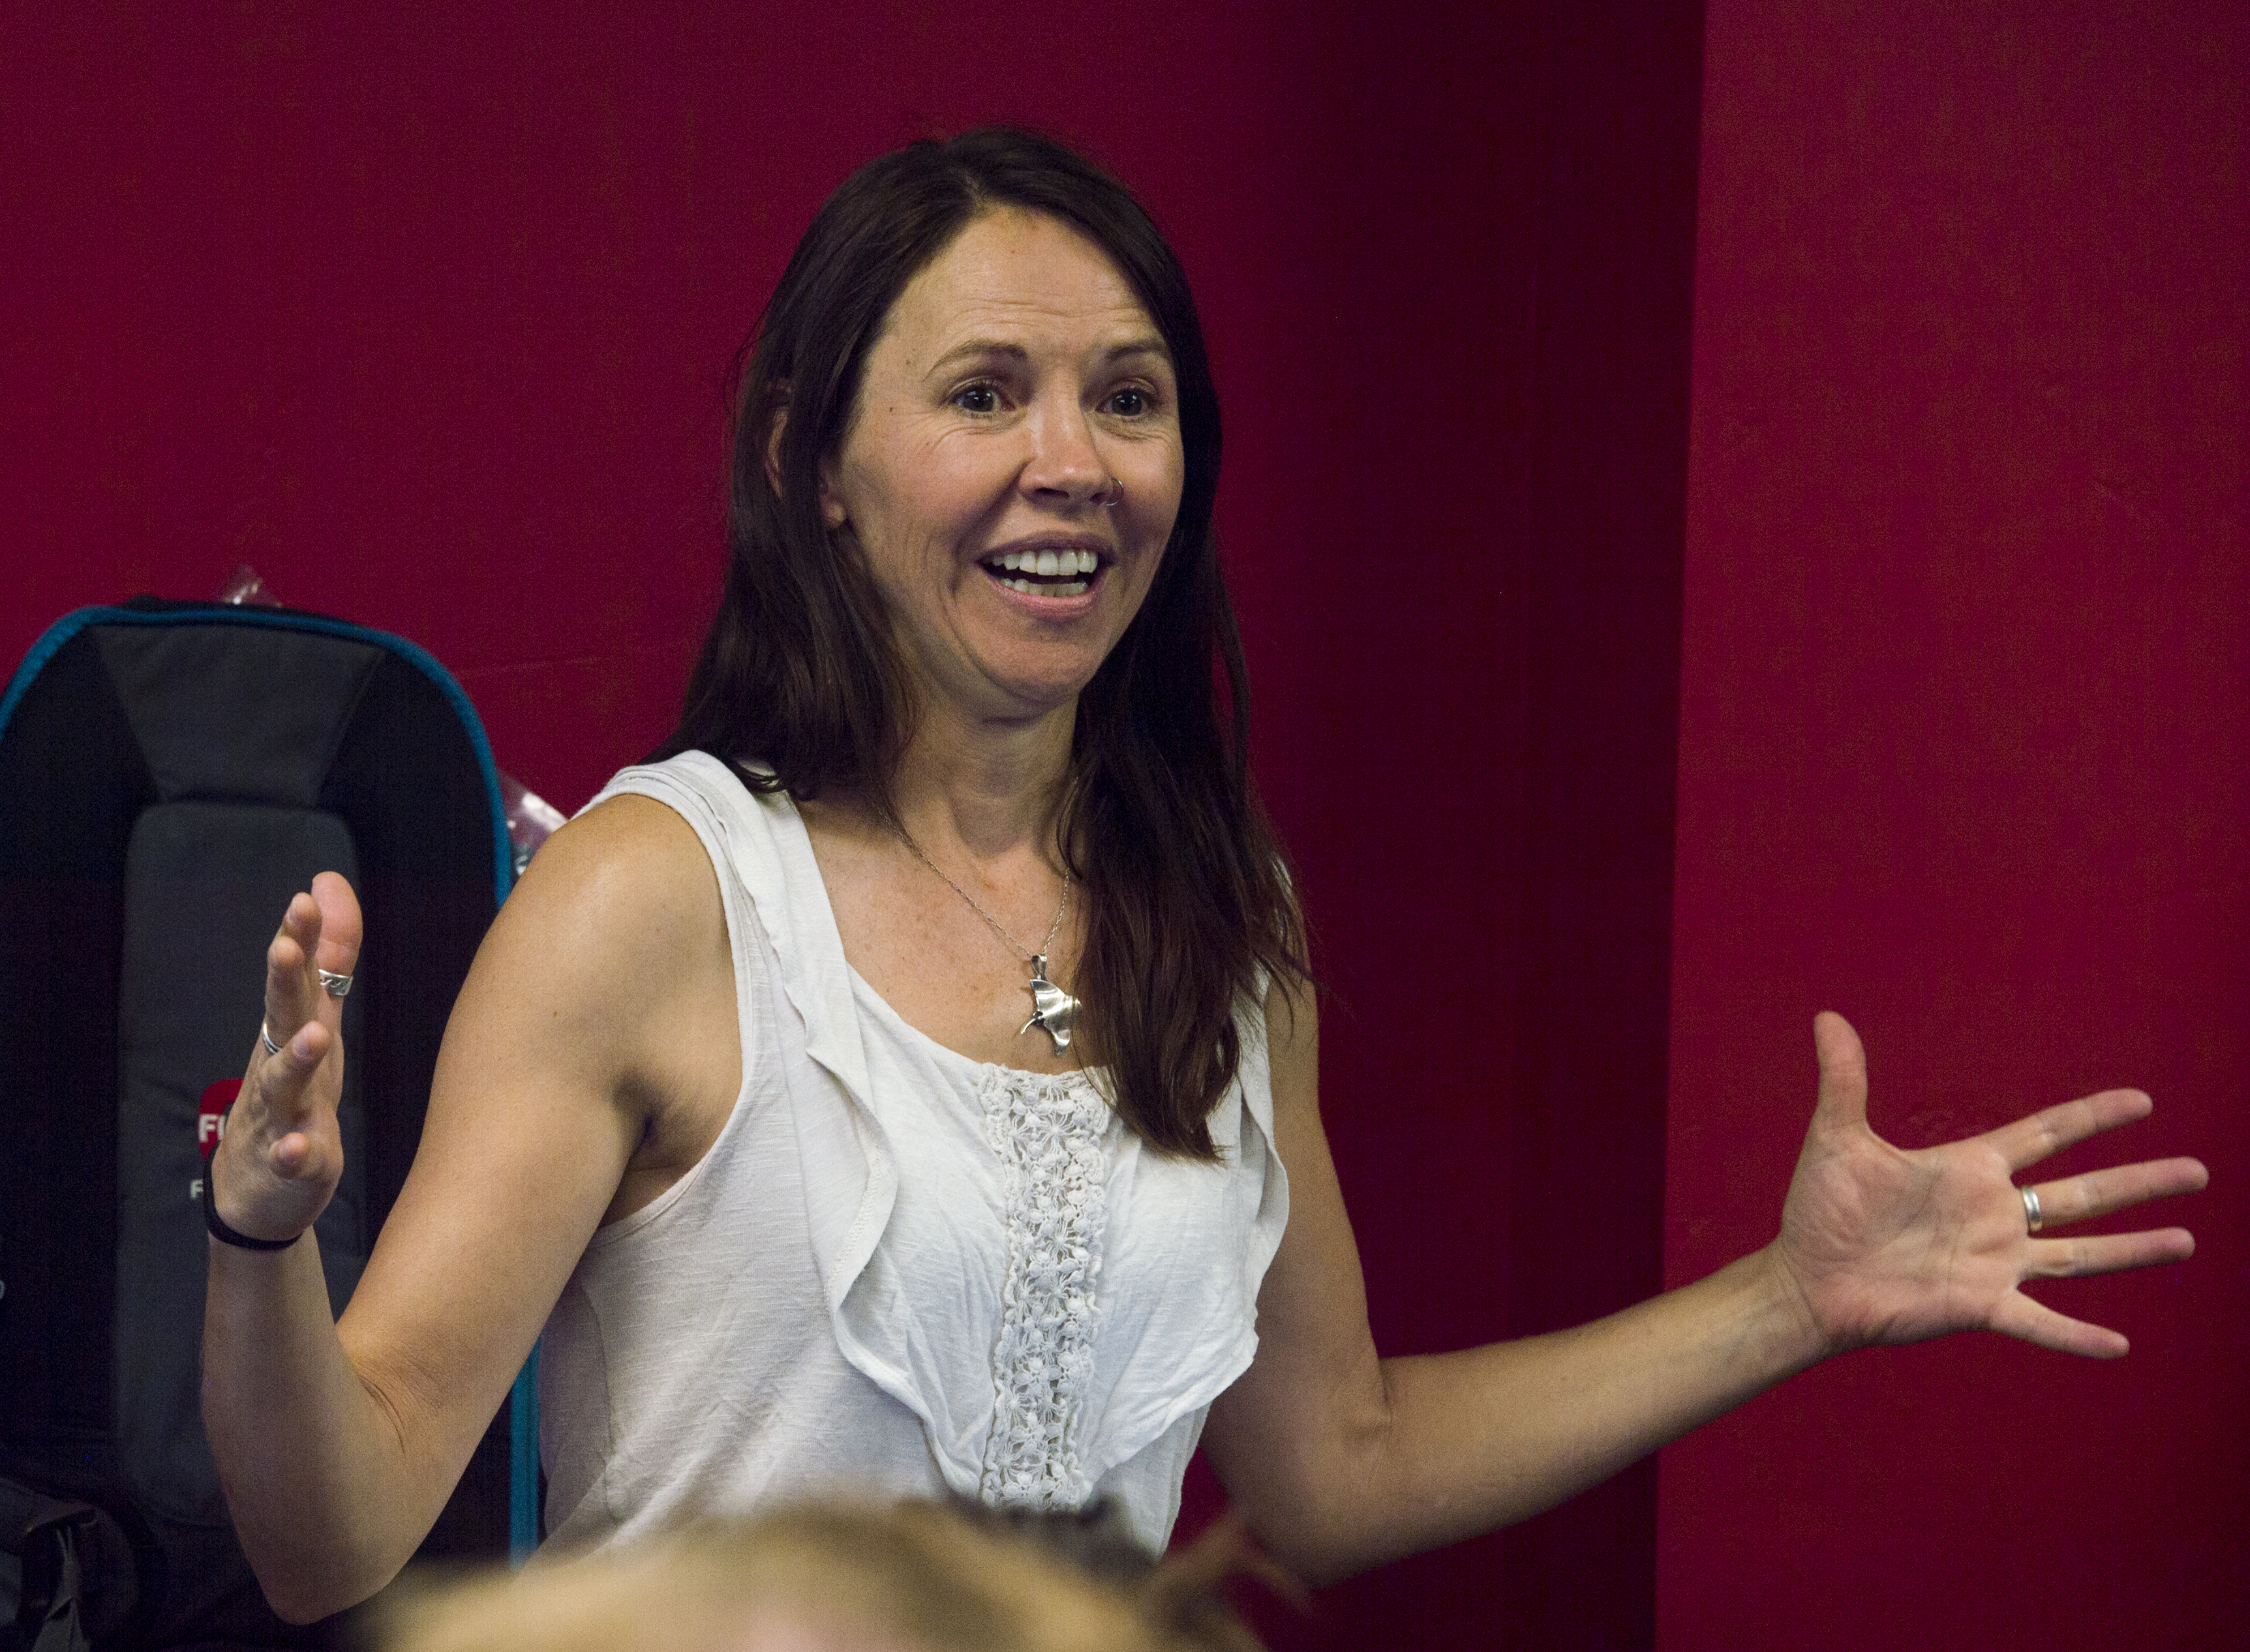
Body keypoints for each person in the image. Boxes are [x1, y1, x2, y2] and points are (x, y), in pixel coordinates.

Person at [201, 127, 2207, 1624]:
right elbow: (335, 1539)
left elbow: (1328, 1472)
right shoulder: (658, 894)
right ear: (819, 464)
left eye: (1128, 399)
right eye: (985, 392)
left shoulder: (1220, 914)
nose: (1073, 461)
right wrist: (266, 1239)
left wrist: (1790, 1303)